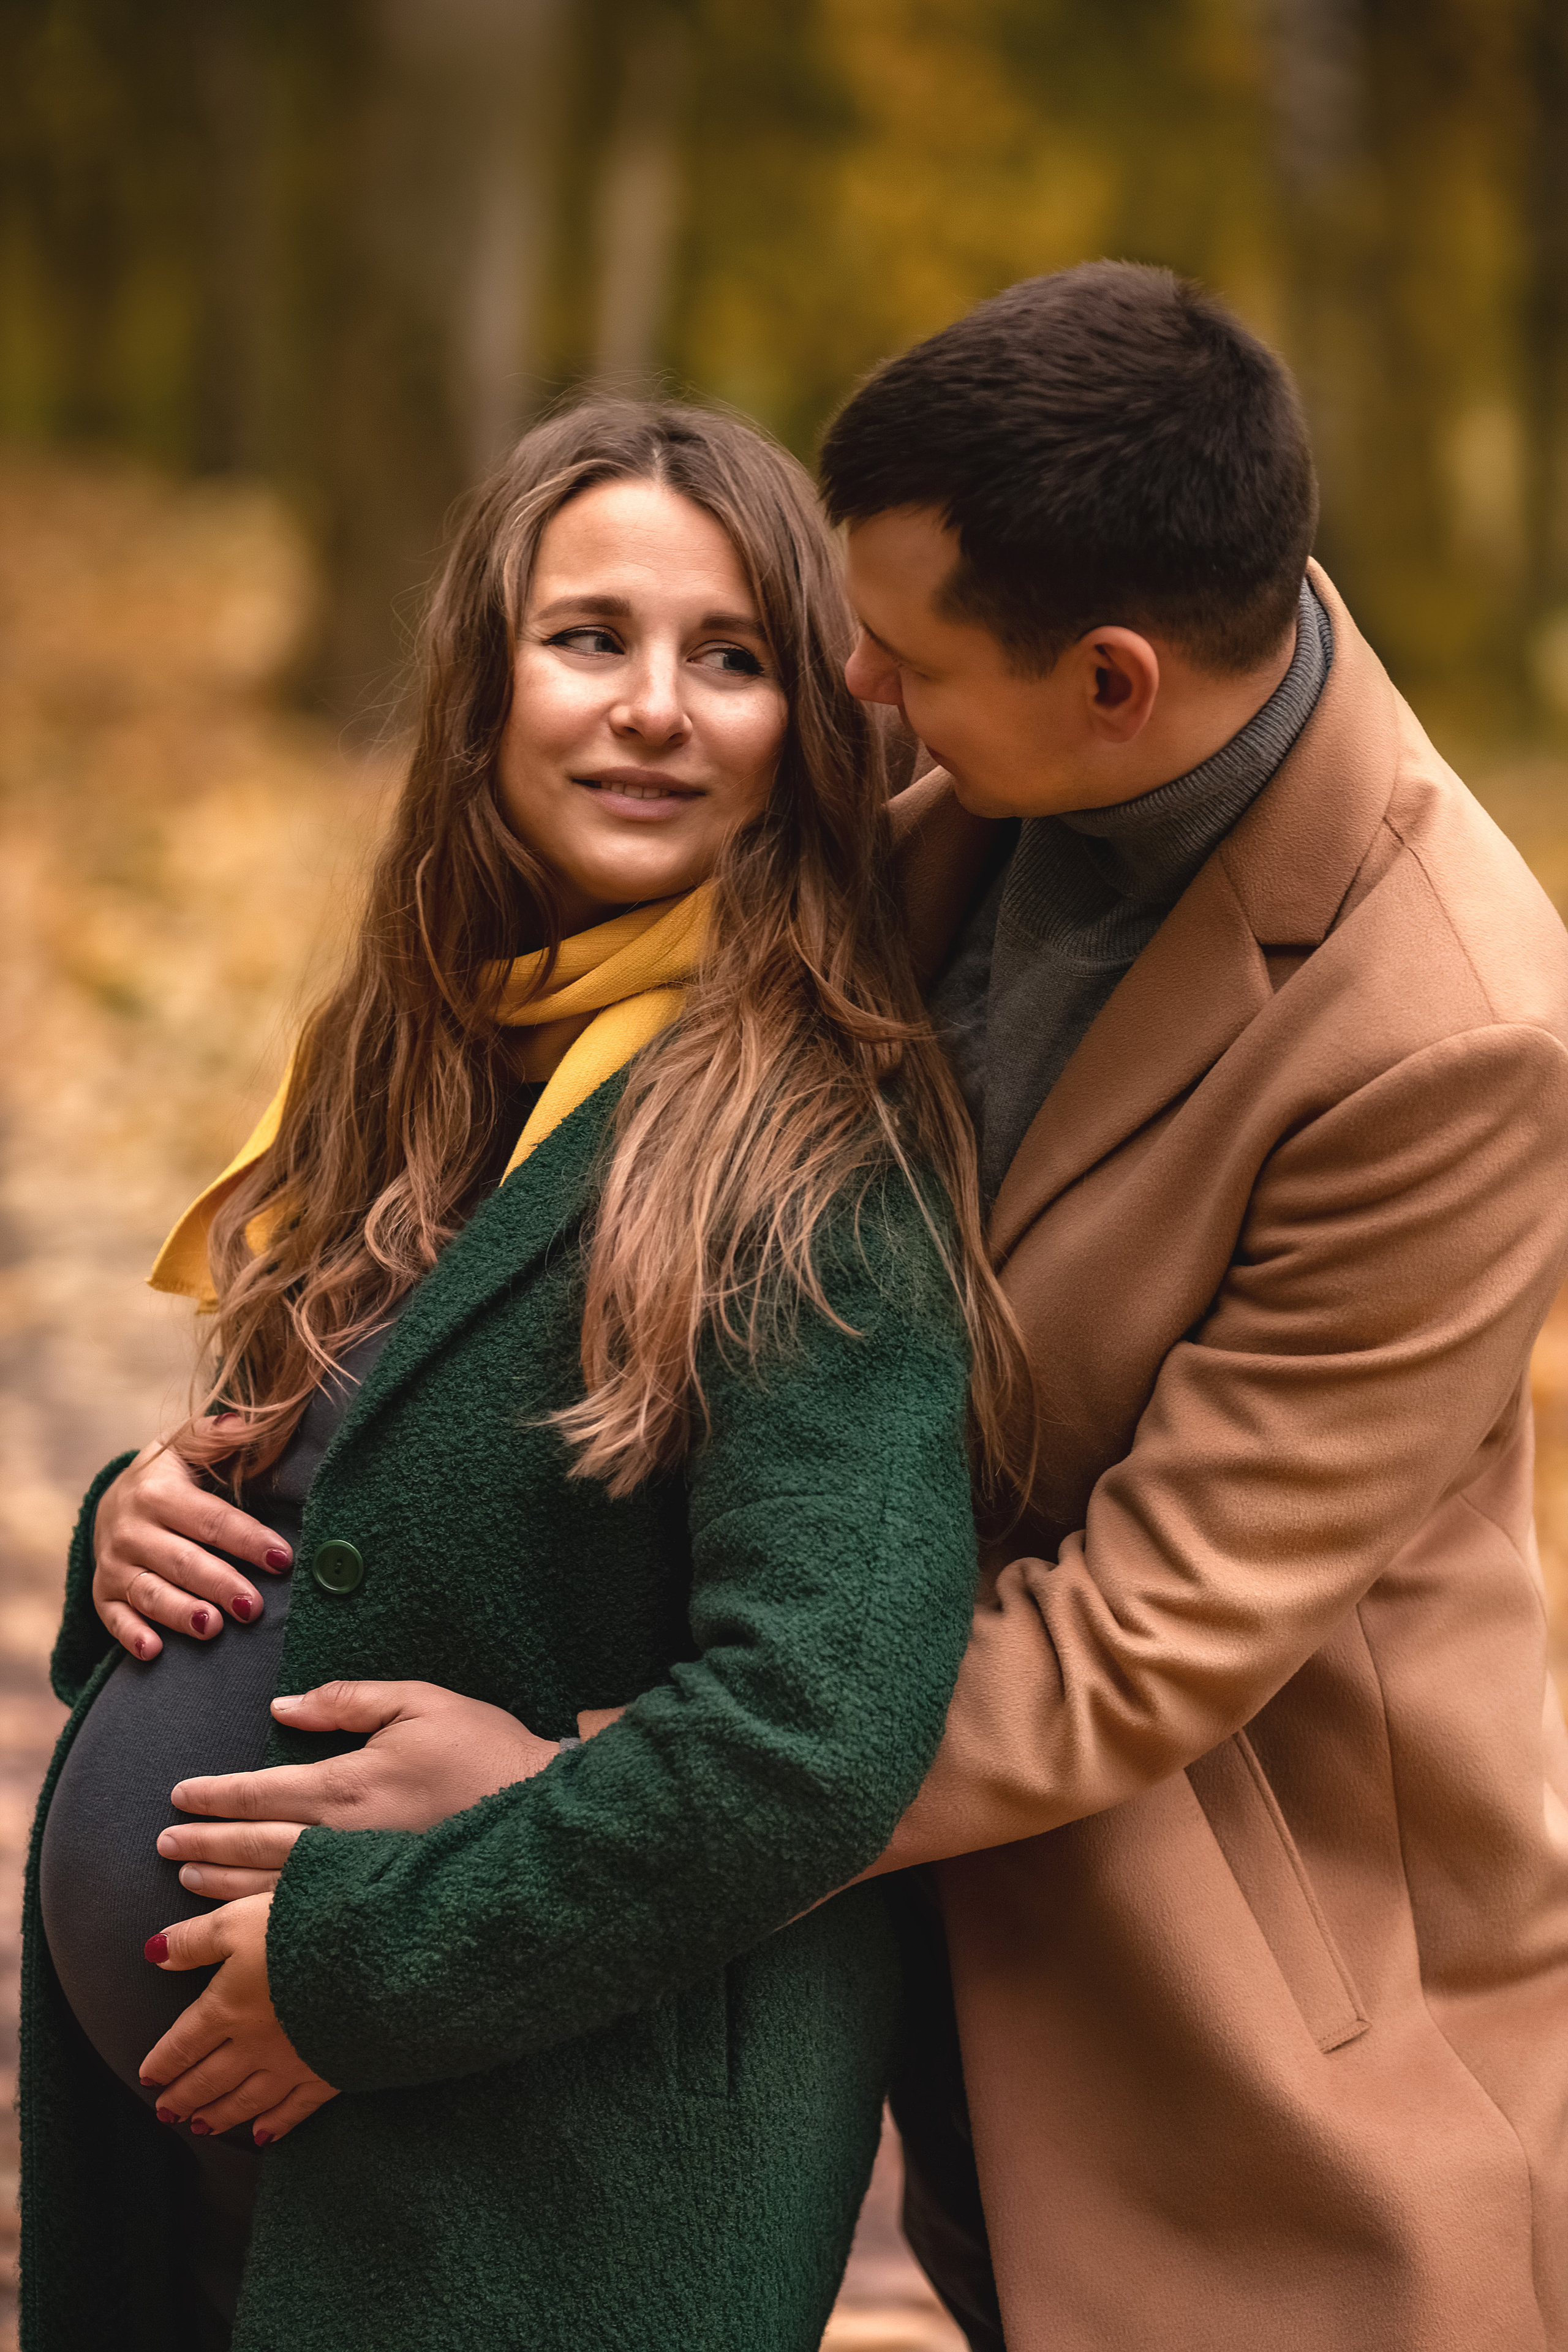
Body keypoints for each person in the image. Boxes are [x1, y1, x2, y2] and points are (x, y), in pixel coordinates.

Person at [20, 399, 1025, 2352]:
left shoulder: (812, 1151)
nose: (653, 707)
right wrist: (136, 1536)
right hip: (263, 2160)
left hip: (547, 2181)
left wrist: (363, 1967)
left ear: (810, 725)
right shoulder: (423, 1063)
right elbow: (344, 1508)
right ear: (487, 684)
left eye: (727, 658)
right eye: (592, 640)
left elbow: (811, 1733)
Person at [813, 262, 1568, 2352]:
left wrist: (609, 1795)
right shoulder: (982, 786)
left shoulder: (1453, 1033)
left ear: (1117, 681)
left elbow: (1143, 1644)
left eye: (909, 651)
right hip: (923, 1872)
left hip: (1257, 2005)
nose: (855, 683)